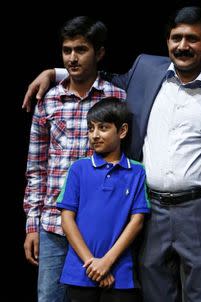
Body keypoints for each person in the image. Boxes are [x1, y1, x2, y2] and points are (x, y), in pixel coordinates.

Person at [22, 7, 201, 302]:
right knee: (154, 291)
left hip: (197, 209)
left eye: (192, 39)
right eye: (176, 38)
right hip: (150, 210)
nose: (182, 46)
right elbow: (96, 74)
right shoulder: (145, 69)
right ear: (166, 42)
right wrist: (55, 73)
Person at [22, 16, 126, 302]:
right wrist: (32, 226)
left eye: (81, 50)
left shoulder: (117, 97)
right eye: (67, 50)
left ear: (99, 53)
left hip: (101, 227)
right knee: (50, 298)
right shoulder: (49, 99)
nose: (72, 58)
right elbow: (36, 167)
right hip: (54, 226)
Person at [57, 97, 150, 302]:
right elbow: (67, 219)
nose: (95, 135)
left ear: (122, 131)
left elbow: (137, 222)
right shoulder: (78, 169)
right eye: (91, 129)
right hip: (81, 271)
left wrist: (106, 262)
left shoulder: (136, 172)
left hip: (120, 273)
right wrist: (93, 264)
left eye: (103, 128)